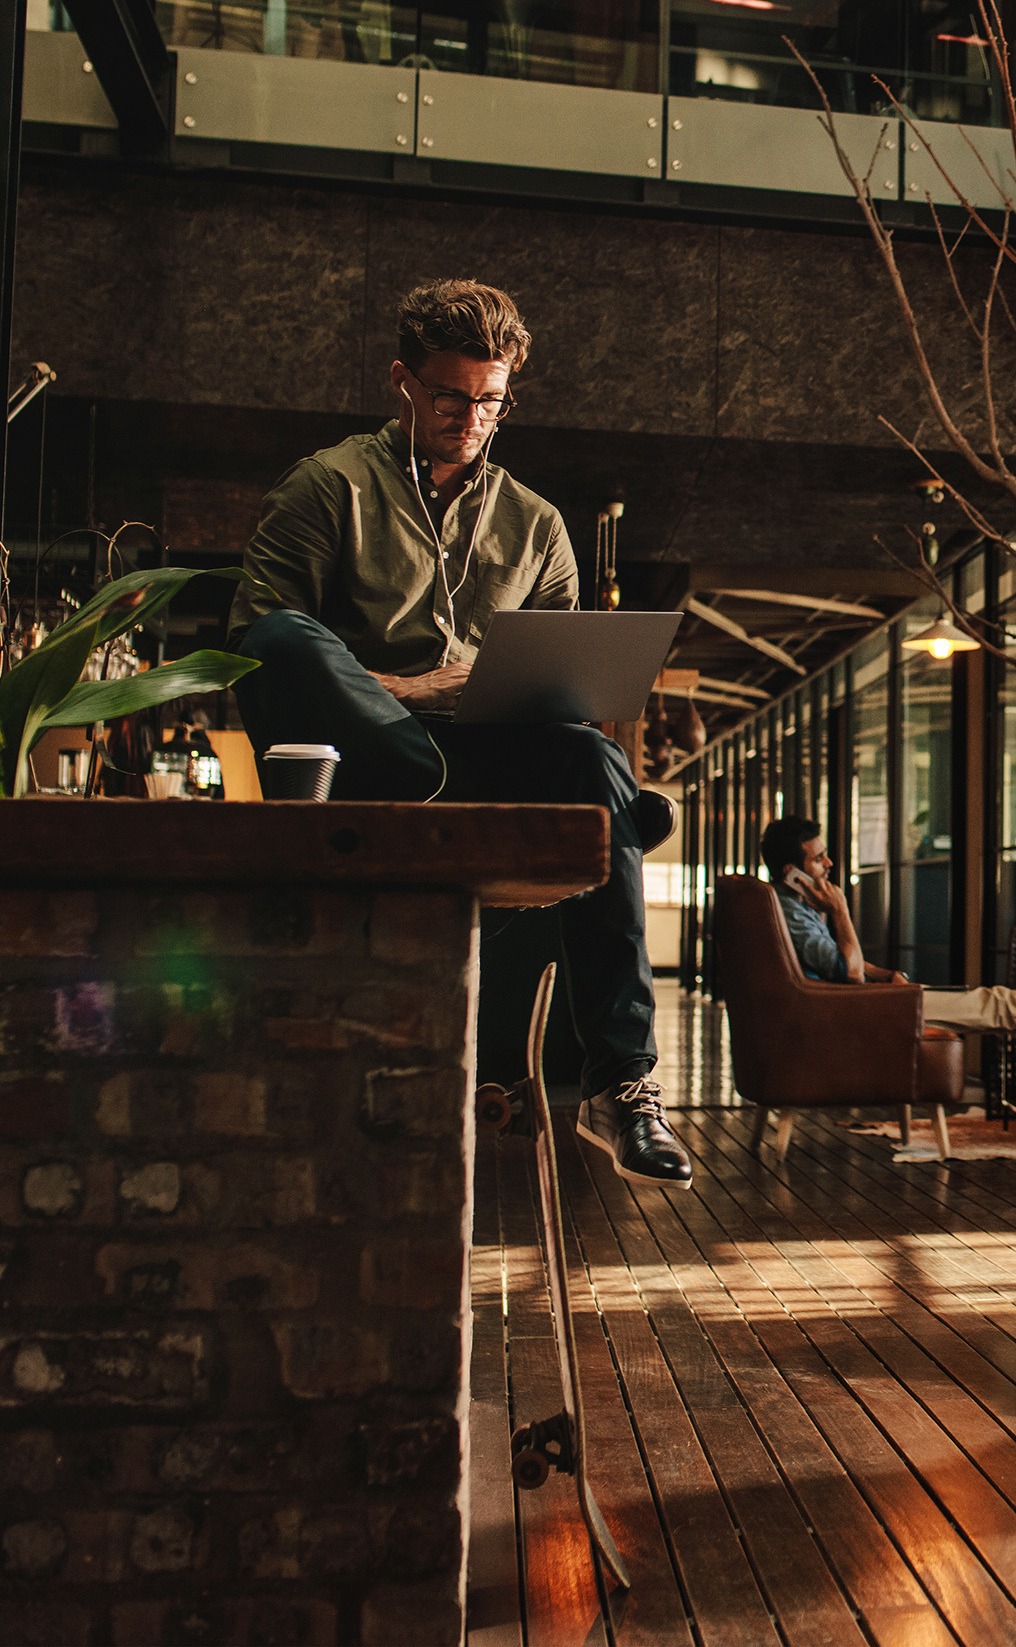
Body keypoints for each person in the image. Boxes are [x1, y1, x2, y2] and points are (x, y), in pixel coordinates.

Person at [230, 280, 692, 1186]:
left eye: (492, 400)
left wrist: (464, 689)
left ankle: (623, 1082)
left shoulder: (538, 524)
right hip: (372, 754)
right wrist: (409, 686)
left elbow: (560, 686)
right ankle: (616, 820)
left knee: (591, 752)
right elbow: (260, 656)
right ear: (403, 382)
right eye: (451, 397)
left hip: (486, 748)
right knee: (283, 638)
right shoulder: (330, 486)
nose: (472, 418)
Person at [762, 816, 900, 984]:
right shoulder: (788, 911)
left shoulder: (798, 904)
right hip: (820, 1005)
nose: (829, 863)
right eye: (818, 859)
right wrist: (840, 910)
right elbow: (852, 973)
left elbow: (836, 958)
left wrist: (888, 976)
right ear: (792, 873)